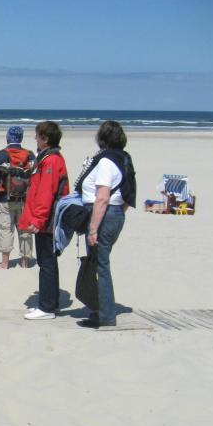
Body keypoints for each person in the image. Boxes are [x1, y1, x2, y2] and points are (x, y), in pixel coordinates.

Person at [76, 120, 132, 328]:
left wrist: (93, 228)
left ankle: (106, 315)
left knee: (101, 264)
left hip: (103, 215)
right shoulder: (124, 159)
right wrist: (118, 212)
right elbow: (129, 193)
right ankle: (100, 309)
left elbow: (102, 197)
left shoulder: (107, 161)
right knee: (99, 262)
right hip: (114, 214)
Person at [18, 121, 68, 320]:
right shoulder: (47, 158)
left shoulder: (51, 160)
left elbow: (46, 193)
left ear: (45, 138)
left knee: (46, 262)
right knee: (48, 262)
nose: (35, 139)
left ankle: (46, 307)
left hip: (48, 220)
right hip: (45, 218)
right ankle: (50, 303)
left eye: (37, 136)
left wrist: (38, 220)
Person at [0, 126, 35, 269]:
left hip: (5, 198)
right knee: (24, 230)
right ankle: (25, 262)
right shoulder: (30, 155)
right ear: (21, 138)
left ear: (8, 137)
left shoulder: (0, 155)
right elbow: (35, 176)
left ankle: (5, 263)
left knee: (5, 229)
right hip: (24, 199)